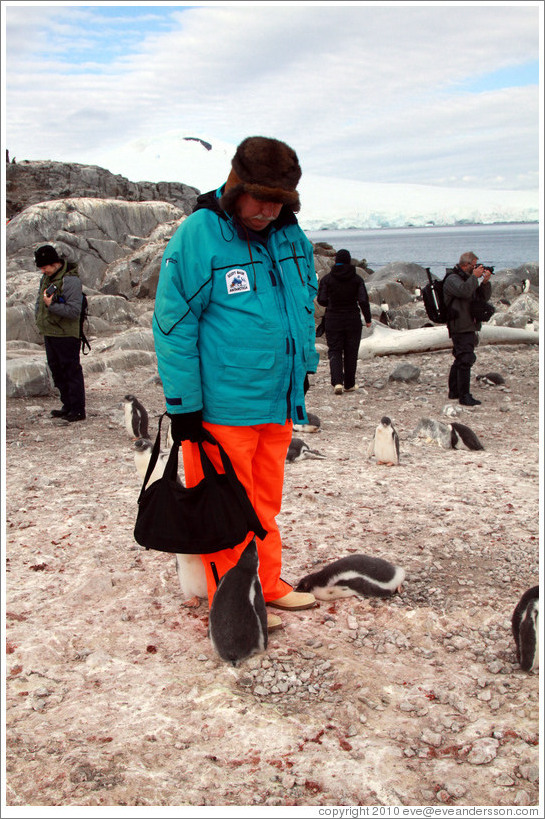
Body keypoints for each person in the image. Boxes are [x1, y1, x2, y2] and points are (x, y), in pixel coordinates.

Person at [152, 136, 320, 629]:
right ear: (234, 185)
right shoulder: (199, 234)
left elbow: (301, 310)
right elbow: (172, 323)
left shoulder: (292, 237)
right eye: (260, 199)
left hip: (275, 402)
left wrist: (301, 373)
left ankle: (266, 584)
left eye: (279, 201)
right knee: (225, 509)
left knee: (265, 504)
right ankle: (235, 600)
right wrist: (183, 407)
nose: (268, 211)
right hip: (220, 409)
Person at [34, 244, 86, 422]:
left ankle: (78, 409)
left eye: (44, 266)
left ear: (54, 263)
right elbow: (39, 302)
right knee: (56, 370)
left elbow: (73, 311)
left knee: (70, 370)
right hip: (51, 332)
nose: (42, 270)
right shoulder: (47, 278)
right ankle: (68, 405)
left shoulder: (70, 280)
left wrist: (51, 305)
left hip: (66, 334)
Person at [316, 248, 372, 395]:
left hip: (333, 318)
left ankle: (337, 383)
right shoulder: (357, 279)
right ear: (349, 261)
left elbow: (321, 300)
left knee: (334, 350)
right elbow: (363, 300)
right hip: (352, 318)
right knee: (351, 351)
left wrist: (332, 302)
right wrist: (368, 319)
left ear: (336, 261)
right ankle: (349, 383)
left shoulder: (327, 279)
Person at [443, 251, 493, 406]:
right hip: (459, 324)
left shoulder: (468, 279)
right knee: (465, 358)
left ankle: (454, 391)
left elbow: (482, 298)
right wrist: (474, 277)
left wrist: (484, 282)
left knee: (461, 357)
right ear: (465, 265)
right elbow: (464, 291)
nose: (476, 268)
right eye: (474, 265)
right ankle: (464, 396)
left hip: (469, 324)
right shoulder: (452, 279)